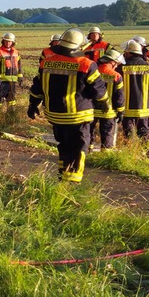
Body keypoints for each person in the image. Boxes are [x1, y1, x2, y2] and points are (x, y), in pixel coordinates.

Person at [28, 28, 106, 184]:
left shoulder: (46, 62)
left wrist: (33, 105)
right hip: (78, 116)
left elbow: (37, 86)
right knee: (79, 148)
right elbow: (99, 91)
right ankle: (73, 183)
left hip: (55, 115)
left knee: (64, 146)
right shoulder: (86, 64)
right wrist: (104, 104)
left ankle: (62, 176)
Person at [120, 39, 149, 140]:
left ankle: (129, 152)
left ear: (129, 53)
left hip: (126, 108)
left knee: (128, 135)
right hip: (144, 108)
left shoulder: (122, 67)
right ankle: (147, 153)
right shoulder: (148, 67)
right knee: (144, 133)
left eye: (126, 52)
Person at [92, 48, 125, 150]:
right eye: (117, 64)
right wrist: (120, 111)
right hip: (108, 111)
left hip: (91, 110)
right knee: (107, 135)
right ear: (112, 62)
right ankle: (106, 156)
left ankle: (87, 152)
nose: (117, 66)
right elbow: (119, 96)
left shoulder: (93, 71)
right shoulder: (116, 76)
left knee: (88, 133)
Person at [0, 32, 22, 109]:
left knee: (12, 98)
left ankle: (11, 113)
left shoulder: (16, 52)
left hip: (13, 80)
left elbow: (19, 65)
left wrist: (20, 76)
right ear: (3, 41)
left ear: (13, 42)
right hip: (2, 80)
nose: (8, 43)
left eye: (10, 41)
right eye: (6, 41)